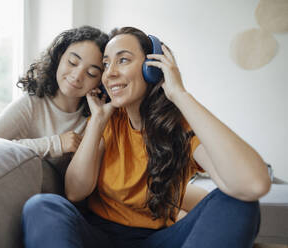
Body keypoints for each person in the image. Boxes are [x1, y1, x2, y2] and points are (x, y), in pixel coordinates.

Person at [21, 27, 271, 248]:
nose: (109, 74)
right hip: (99, 236)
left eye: (123, 60)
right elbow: (75, 192)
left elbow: (253, 185)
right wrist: (97, 119)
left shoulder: (179, 126)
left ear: (152, 69)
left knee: (240, 203)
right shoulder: (107, 121)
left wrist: (179, 93)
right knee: (42, 206)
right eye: (106, 64)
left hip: (159, 239)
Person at [0, 26, 108, 161]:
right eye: (72, 62)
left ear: (100, 81)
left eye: (91, 73)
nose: (77, 76)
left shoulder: (96, 118)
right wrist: (56, 144)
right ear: (59, 57)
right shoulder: (32, 104)